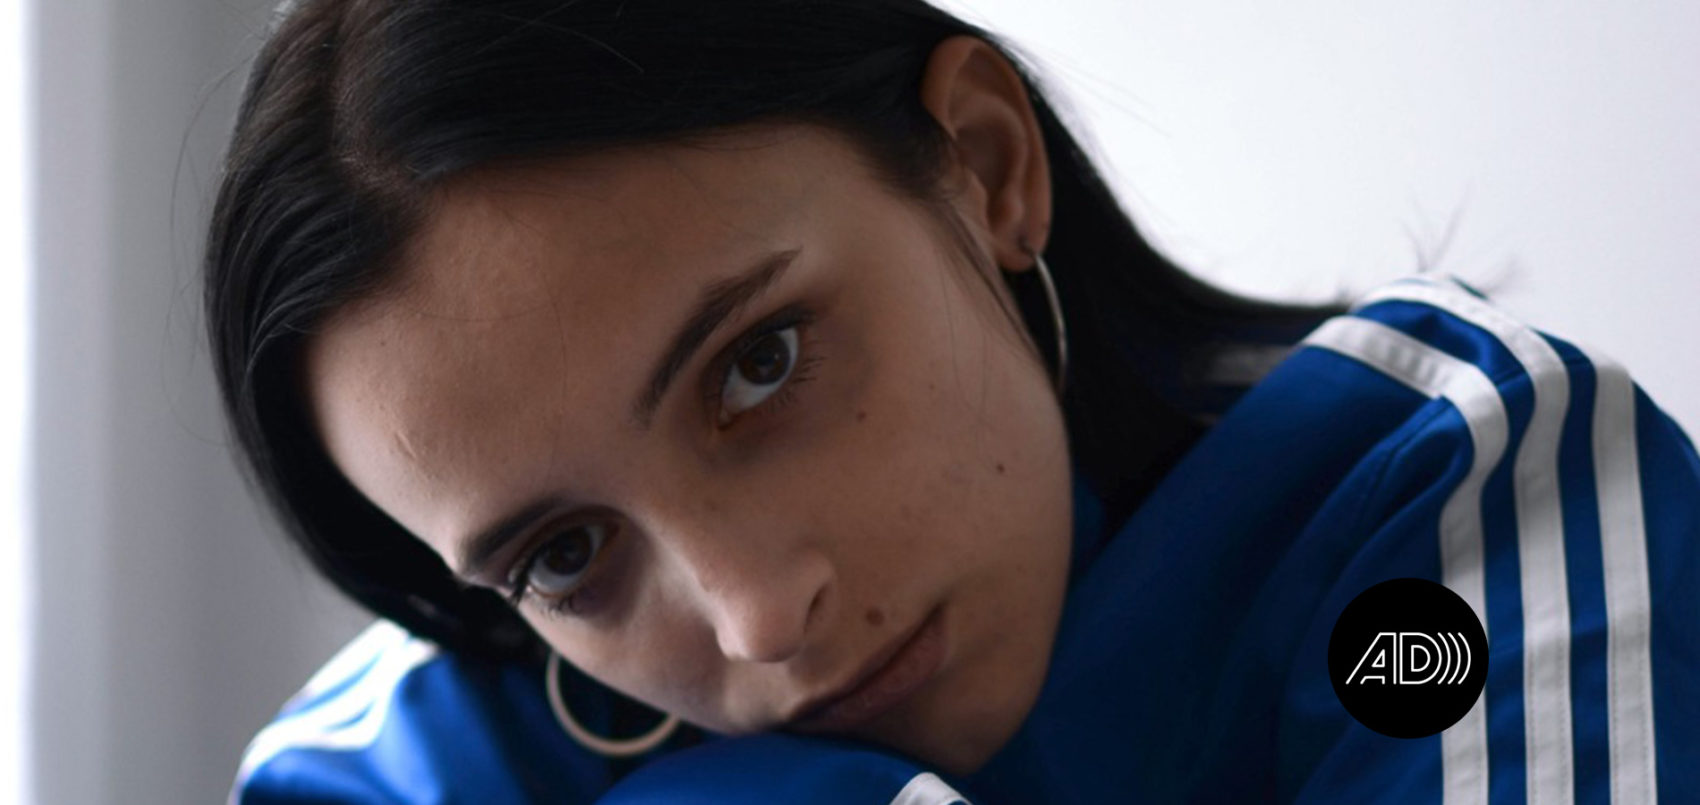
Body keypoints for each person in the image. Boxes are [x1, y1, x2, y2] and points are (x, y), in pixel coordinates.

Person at [206, 1, 1700, 802]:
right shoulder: (412, 761)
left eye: (759, 362)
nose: (755, 616)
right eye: (564, 553)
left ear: (985, 168)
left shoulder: (1440, 497)